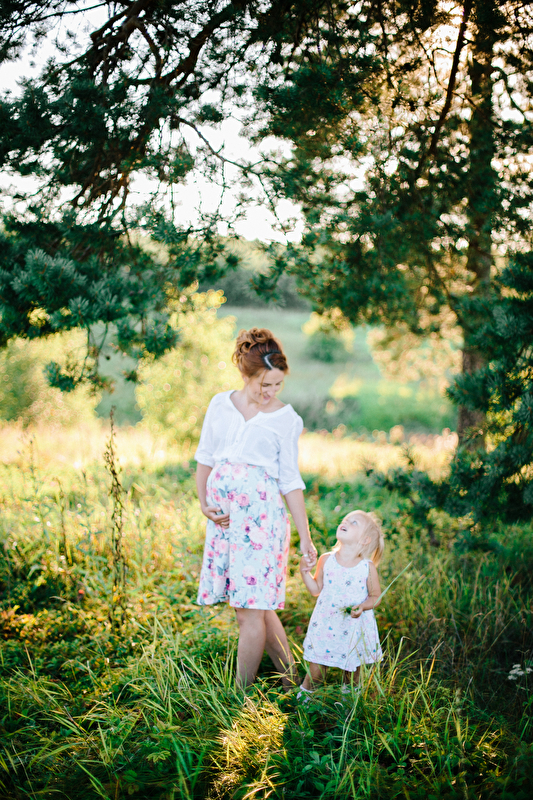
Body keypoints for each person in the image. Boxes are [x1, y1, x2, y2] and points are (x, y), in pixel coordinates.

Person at [195, 327, 317, 688]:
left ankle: (239, 698)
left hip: (261, 525)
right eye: (264, 384)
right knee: (257, 607)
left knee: (248, 614)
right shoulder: (220, 405)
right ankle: (292, 684)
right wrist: (204, 503)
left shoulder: (286, 419)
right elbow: (205, 457)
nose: (270, 392)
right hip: (225, 524)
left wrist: (306, 537)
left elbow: (290, 481)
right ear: (245, 373)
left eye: (277, 385)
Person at [298, 509, 384, 695]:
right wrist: (304, 572)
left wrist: (363, 606)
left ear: (365, 540)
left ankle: (348, 701)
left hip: (354, 626)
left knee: (352, 670)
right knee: (317, 668)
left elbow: (375, 595)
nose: (345, 522)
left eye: (354, 523)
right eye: (345, 519)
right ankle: (305, 699)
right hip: (327, 623)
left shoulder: (366, 567)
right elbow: (315, 589)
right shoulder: (326, 559)